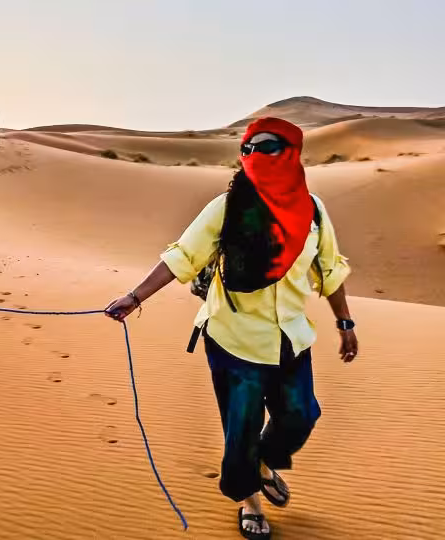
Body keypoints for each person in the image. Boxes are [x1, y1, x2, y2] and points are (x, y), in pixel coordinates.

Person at [104, 117, 359, 540]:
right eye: (249, 147)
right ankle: (249, 501)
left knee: (301, 416)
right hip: (232, 339)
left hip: (291, 338)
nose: (257, 154)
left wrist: (345, 321)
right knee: (240, 429)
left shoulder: (313, 211)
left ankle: (261, 465)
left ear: (292, 152)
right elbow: (183, 256)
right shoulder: (227, 207)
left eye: (269, 146)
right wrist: (135, 296)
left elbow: (330, 268)